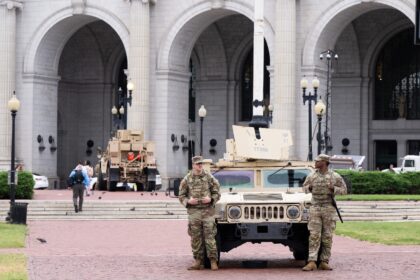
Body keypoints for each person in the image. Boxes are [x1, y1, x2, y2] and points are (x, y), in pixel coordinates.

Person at [302, 154, 347, 271]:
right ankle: (311, 261)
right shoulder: (311, 176)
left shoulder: (335, 176)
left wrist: (334, 189)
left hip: (328, 208)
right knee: (314, 236)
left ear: (324, 162)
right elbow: (304, 187)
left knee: (327, 236)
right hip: (315, 207)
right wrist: (310, 188)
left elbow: (344, 190)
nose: (315, 163)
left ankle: (324, 261)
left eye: (318, 161)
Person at [179, 156, 221, 271]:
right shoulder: (187, 179)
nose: (200, 165)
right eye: (197, 164)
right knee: (196, 237)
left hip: (208, 211)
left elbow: (217, 191)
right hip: (194, 212)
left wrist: (211, 200)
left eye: (201, 163)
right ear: (193, 165)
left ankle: (213, 261)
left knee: (210, 236)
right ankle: (198, 261)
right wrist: (188, 202)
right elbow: (181, 196)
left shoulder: (209, 177)